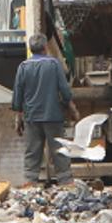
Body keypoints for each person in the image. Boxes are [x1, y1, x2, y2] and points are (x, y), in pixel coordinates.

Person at [11, 32, 78, 186]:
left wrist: (18, 118)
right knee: (59, 150)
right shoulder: (54, 64)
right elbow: (65, 91)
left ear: (30, 49)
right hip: (53, 116)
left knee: (33, 151)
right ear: (45, 48)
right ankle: (66, 182)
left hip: (32, 118)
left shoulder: (23, 67)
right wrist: (73, 109)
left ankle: (30, 182)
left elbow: (18, 96)